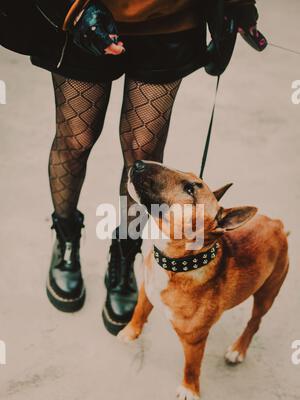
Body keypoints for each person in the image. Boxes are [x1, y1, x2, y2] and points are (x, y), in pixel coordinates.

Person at [0, 0, 259, 335]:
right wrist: (71, 9)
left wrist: (238, 4)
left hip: (170, 21)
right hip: (83, 15)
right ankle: (66, 238)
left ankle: (124, 255)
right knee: (75, 141)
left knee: (144, 154)